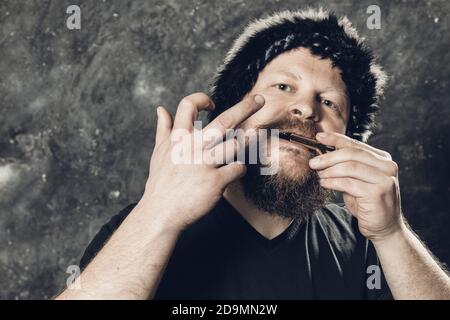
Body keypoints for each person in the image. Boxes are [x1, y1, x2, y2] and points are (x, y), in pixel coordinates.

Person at [57, 8, 450, 300]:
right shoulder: (142, 227)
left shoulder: (363, 241)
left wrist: (391, 233)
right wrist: (158, 211)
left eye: (329, 103)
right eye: (283, 87)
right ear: (233, 109)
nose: (306, 110)